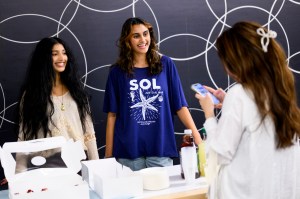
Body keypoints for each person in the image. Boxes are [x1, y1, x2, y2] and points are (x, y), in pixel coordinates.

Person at [196, 21, 300, 199]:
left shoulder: (239, 94)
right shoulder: (280, 90)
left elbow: (218, 155)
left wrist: (209, 115)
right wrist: (228, 102)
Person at [103, 17, 201, 171]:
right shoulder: (117, 72)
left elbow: (180, 106)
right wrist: (108, 156)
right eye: (136, 36)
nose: (143, 40)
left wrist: (198, 139)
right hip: (129, 152)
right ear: (127, 41)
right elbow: (112, 115)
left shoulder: (166, 64)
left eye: (145, 34)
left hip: (160, 149)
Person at [15, 37, 99, 172]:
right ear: (44, 59)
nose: (62, 57)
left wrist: (96, 167)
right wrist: (18, 174)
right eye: (55, 54)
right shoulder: (32, 95)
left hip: (76, 167)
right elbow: (24, 136)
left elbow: (89, 133)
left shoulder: (77, 91)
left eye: (64, 52)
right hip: (45, 168)